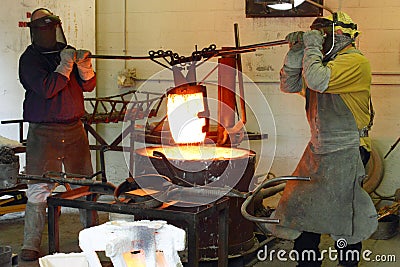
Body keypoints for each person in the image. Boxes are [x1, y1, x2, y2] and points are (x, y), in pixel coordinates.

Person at [266, 11, 378, 267]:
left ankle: (347, 264)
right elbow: (290, 85)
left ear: (340, 35)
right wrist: (296, 51)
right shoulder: (319, 62)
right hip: (319, 148)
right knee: (302, 208)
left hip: (347, 149)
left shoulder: (355, 62)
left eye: (322, 35)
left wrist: (313, 46)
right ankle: (307, 263)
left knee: (343, 217)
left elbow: (317, 80)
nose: (318, 40)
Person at [18, 8, 97, 261]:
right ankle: (31, 243)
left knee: (83, 186)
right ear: (36, 32)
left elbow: (89, 86)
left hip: (74, 129)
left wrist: (85, 67)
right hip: (43, 133)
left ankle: (91, 238)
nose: (50, 34)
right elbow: (48, 88)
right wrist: (66, 64)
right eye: (45, 30)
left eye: (53, 29)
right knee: (40, 188)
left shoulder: (67, 51)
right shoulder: (30, 59)